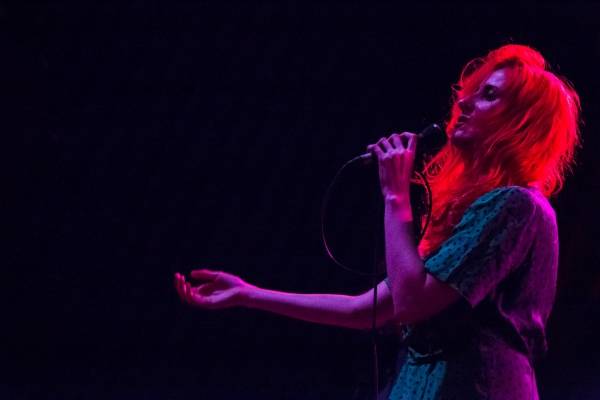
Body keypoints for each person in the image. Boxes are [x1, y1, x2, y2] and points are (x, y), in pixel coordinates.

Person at [174, 44, 580, 399]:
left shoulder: (516, 207)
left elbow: (411, 302)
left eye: (489, 95)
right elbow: (365, 309)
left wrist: (396, 196)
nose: (465, 103)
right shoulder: (480, 209)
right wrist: (249, 294)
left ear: (522, 124)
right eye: (469, 93)